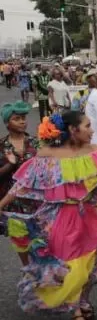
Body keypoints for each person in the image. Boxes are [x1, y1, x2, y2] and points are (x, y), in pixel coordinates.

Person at [0, 110, 97, 320]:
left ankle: (82, 300)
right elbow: (22, 184)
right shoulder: (47, 155)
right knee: (74, 267)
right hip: (60, 220)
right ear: (73, 130)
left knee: (89, 266)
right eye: (87, 126)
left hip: (90, 218)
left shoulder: (96, 153)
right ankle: (76, 311)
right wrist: (2, 204)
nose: (92, 131)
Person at [0, 101, 40, 264]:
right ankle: (27, 269)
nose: (23, 121)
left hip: (38, 201)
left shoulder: (35, 143)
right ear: (7, 122)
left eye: (23, 118)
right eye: (17, 119)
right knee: (21, 241)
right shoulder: (2, 146)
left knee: (40, 240)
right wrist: (10, 164)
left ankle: (41, 270)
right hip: (13, 204)